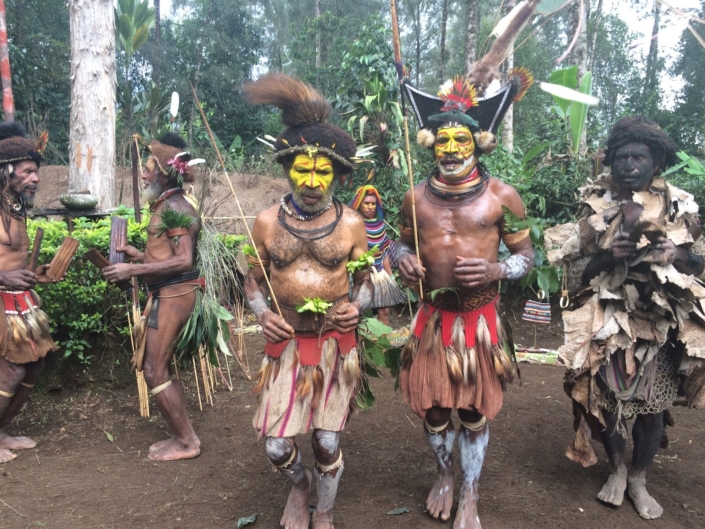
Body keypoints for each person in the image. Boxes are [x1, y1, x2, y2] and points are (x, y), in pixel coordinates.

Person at [393, 6, 537, 524]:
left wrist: (499, 272)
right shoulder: (415, 196)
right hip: (433, 320)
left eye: (462, 139)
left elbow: (528, 257)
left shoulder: (502, 196)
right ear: (431, 143)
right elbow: (395, 245)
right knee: (433, 410)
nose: (452, 147)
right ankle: (445, 474)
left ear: (479, 141)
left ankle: (470, 490)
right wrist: (402, 257)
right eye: (444, 139)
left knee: (472, 411)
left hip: (478, 322)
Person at [548, 116, 705, 520]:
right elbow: (572, 271)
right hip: (609, 317)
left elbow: (698, 264)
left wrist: (677, 253)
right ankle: (616, 470)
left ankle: (639, 477)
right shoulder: (595, 201)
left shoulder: (680, 204)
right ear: (611, 162)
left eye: (639, 157)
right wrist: (606, 255)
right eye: (621, 157)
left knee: (652, 406)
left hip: (661, 320)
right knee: (607, 399)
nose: (629, 164)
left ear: (656, 163)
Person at [243, 73, 372, 529]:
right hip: (288, 344)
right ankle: (298, 486)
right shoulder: (263, 222)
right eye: (303, 168)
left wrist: (359, 304)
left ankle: (326, 508)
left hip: (335, 344)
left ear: (338, 175)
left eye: (323, 171)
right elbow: (252, 280)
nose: (312, 180)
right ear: (288, 167)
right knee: (278, 446)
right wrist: (261, 315)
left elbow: (368, 282)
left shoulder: (353, 224)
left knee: (326, 442)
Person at [103, 133, 204, 462]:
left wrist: (130, 272)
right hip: (169, 291)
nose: (144, 175)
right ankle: (183, 435)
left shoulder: (175, 207)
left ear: (163, 172)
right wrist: (134, 254)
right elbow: (165, 255)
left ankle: (187, 441)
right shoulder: (167, 204)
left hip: (175, 295)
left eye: (147, 170)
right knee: (158, 368)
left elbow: (184, 259)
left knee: (154, 370)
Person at [0, 122, 60, 463]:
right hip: (1, 301)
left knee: (34, 367)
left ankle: (2, 430)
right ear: (7, 172)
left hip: (21, 302)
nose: (35, 178)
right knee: (11, 371)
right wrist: (4, 277)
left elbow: (14, 262)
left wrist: (34, 274)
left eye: (36, 172)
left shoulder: (15, 207)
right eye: (28, 172)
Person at [350, 185, 405, 326]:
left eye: (373, 204)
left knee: (385, 312)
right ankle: (359, 346)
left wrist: (391, 277)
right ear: (359, 204)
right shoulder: (352, 225)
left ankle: (383, 345)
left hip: (379, 274)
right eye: (366, 203)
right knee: (357, 314)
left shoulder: (380, 225)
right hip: (359, 276)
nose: (370, 207)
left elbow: (384, 253)